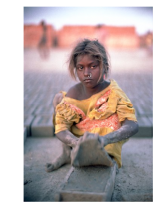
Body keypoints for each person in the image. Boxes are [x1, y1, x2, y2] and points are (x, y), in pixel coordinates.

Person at [46, 39, 139, 172]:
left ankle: (106, 155)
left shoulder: (114, 93)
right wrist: (77, 143)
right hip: (80, 139)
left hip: (104, 138)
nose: (86, 73)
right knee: (59, 99)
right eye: (81, 68)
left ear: (105, 66)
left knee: (115, 118)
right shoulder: (74, 93)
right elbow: (61, 128)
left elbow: (132, 125)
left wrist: (104, 140)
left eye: (93, 66)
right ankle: (68, 153)